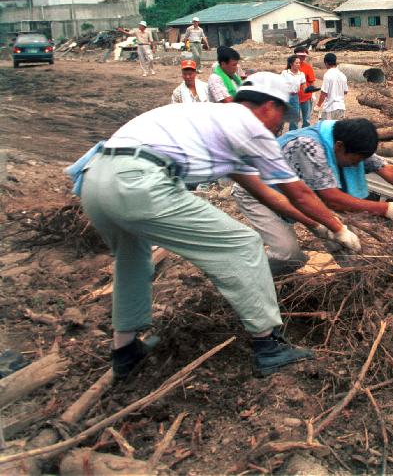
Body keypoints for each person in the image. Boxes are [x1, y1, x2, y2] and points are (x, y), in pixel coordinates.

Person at [74, 72, 362, 379]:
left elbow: (265, 193)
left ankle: (125, 351)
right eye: (280, 114)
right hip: (139, 181)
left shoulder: (215, 122)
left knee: (132, 259)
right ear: (267, 106)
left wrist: (315, 226)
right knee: (243, 244)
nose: (278, 125)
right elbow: (298, 192)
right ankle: (269, 347)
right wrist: (338, 228)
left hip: (95, 178)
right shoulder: (249, 126)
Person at [233, 117, 393, 274]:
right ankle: (248, 277)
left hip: (302, 195)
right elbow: (330, 198)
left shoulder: (346, 140)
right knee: (289, 254)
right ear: (339, 146)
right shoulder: (309, 146)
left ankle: (359, 284)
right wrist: (387, 209)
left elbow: (388, 170)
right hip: (258, 191)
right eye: (354, 161)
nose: (357, 165)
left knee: (343, 240)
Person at [316, 52, 348, 120]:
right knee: (338, 129)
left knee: (327, 128)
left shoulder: (327, 75)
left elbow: (323, 93)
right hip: (341, 107)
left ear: (326, 63)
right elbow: (345, 91)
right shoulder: (342, 75)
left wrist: (318, 105)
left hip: (330, 107)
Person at [280, 55, 306, 131]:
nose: (298, 64)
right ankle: (278, 135)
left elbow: (304, 88)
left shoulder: (301, 74)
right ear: (291, 64)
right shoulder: (285, 73)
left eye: (299, 63)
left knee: (294, 119)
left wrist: (311, 90)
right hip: (285, 96)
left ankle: (292, 135)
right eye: (296, 63)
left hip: (295, 97)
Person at [294, 46, 316, 128]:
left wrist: (313, 94)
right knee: (294, 120)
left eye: (304, 56)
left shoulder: (308, 67)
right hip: (294, 97)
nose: (303, 57)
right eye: (301, 56)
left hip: (306, 97)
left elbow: (312, 81)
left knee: (306, 119)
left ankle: (305, 134)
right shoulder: (289, 69)